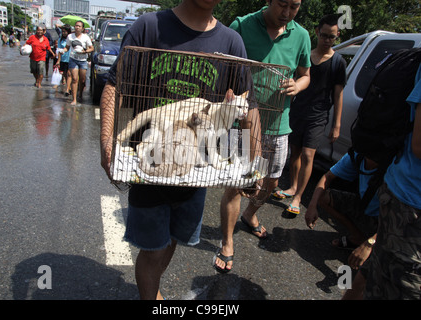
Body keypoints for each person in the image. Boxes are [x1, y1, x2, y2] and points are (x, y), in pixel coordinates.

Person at [100, 0, 255, 299]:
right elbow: (115, 85)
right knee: (153, 248)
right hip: (152, 165)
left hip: (193, 171)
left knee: (172, 239)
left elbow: (252, 109)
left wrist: (249, 161)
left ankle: (153, 290)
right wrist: (107, 142)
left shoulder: (231, 41)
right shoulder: (148, 27)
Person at [215, 0, 311, 273]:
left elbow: (306, 75)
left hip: (279, 124)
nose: (287, 13)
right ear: (269, 0)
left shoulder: (301, 35)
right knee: (238, 182)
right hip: (242, 124)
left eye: (294, 7)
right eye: (283, 5)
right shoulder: (242, 25)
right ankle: (227, 242)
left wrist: (298, 85)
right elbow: (222, 69)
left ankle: (250, 214)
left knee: (270, 182)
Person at [273, 14, 346, 216]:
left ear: (337, 36)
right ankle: (292, 187)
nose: (327, 40)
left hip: (319, 115)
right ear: (317, 32)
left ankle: (297, 198)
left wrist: (336, 125)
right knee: (294, 152)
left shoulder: (338, 62)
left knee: (307, 154)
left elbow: (338, 95)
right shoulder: (306, 56)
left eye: (332, 37)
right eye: (324, 35)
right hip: (298, 110)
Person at [359, 63, 421, 300]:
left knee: (376, 275)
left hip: (398, 201)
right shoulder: (353, 159)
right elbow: (419, 145)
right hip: (409, 205)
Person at [305, 152, 379, 270]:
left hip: (388, 220)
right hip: (366, 206)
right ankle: (357, 237)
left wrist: (369, 244)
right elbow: (327, 176)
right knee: (323, 197)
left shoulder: (394, 165)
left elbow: (399, 219)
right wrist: (312, 206)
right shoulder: (357, 154)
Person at [56, 20, 93, 105]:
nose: (77, 27)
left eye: (79, 26)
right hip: (73, 59)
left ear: (82, 28)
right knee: (75, 79)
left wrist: (85, 51)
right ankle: (74, 99)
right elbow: (67, 47)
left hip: (83, 60)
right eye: (76, 25)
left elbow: (92, 48)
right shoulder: (70, 36)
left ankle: (80, 93)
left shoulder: (86, 37)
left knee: (82, 80)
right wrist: (63, 51)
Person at [55, 24, 72, 95]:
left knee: (69, 74)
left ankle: (67, 89)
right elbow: (59, 50)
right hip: (63, 59)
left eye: (65, 31)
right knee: (65, 74)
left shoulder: (71, 38)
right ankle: (69, 86)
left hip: (71, 58)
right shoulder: (60, 40)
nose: (64, 33)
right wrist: (58, 60)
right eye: (63, 31)